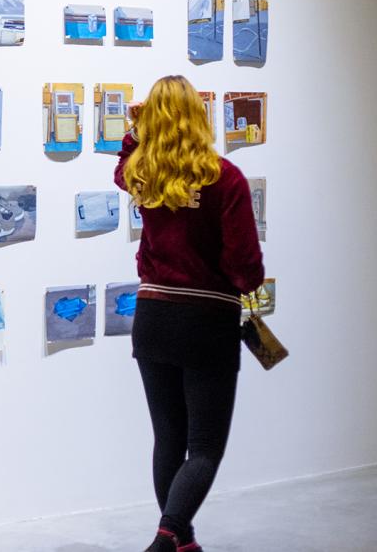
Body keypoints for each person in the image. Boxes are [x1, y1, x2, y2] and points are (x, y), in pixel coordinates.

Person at [114, 75, 264, 552]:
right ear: (200, 118)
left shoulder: (145, 176)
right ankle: (165, 540)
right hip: (206, 321)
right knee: (203, 447)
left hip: (152, 316)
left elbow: (121, 168)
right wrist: (248, 285)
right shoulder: (226, 177)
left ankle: (182, 540)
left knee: (168, 440)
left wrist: (134, 133)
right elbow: (244, 263)